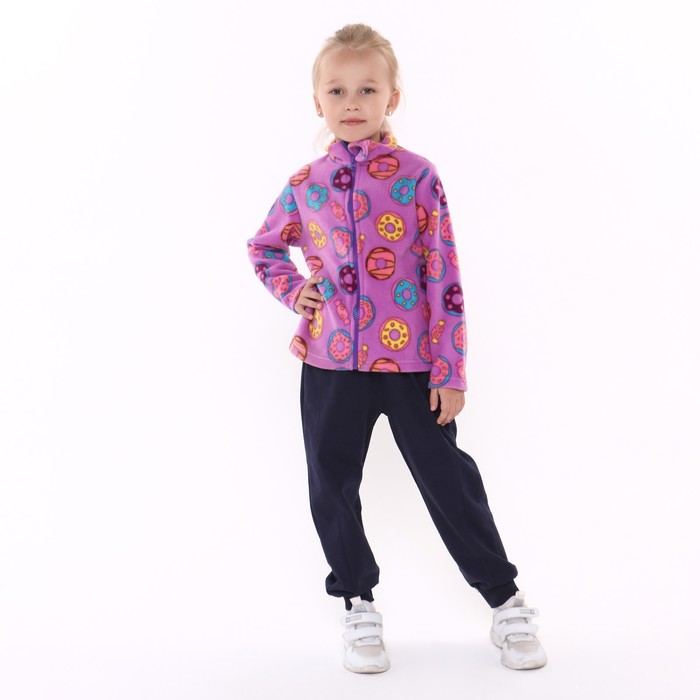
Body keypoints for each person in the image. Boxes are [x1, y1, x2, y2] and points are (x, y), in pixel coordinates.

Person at [246, 22, 547, 674]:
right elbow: (264, 247)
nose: (352, 101)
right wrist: (295, 290)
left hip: (411, 363)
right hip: (330, 362)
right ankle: (358, 604)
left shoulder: (418, 178)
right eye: (337, 90)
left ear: (392, 97)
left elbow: (444, 275)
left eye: (367, 89)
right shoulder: (305, 182)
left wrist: (451, 368)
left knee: (449, 481)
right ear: (317, 101)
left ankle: (506, 602)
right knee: (331, 485)